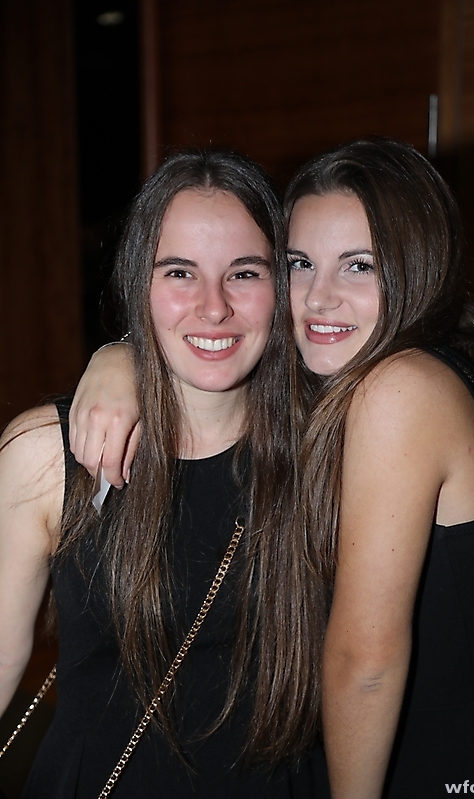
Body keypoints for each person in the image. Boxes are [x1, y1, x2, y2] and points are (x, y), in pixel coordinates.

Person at [69, 138, 474, 798]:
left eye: (359, 265)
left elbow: (364, 663)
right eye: (299, 263)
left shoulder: (397, 390)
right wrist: (121, 354)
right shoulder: (368, 384)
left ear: (416, 267)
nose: (318, 297)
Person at [0, 149, 330, 797]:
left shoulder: (331, 447)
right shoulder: (46, 454)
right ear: (138, 283)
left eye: (244, 273)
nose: (213, 307)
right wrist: (121, 350)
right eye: (180, 272)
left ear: (282, 288)